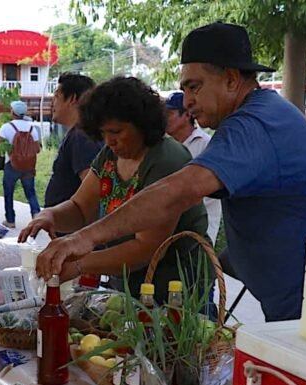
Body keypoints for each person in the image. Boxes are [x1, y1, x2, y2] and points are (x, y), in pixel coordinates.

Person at [36, 22, 306, 322]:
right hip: (300, 298)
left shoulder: (257, 122)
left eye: (195, 87)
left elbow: (178, 192)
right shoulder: (248, 121)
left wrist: (85, 238)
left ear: (232, 79)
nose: (187, 101)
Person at [21, 77, 210, 303]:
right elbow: (81, 209)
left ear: (142, 124)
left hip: (175, 290)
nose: (109, 141)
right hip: (127, 285)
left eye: (117, 131)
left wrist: (80, 264)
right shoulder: (111, 156)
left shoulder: (166, 159)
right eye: (103, 133)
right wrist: (50, 215)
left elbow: (145, 248)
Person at [164, 91, 222, 244]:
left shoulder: (206, 145)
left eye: (170, 113)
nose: (165, 119)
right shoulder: (165, 146)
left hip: (202, 227)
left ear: (187, 115)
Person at [44, 73, 103, 209]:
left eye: (57, 97)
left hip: (76, 228)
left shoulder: (81, 137)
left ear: (72, 99)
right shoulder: (80, 133)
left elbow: (93, 191)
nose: (53, 103)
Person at [0, 100, 41, 228]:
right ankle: (37, 217)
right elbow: (37, 149)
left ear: (12, 112)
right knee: (30, 192)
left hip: (12, 165)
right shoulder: (32, 128)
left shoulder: (7, 127)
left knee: (8, 193)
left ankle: (10, 220)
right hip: (29, 166)